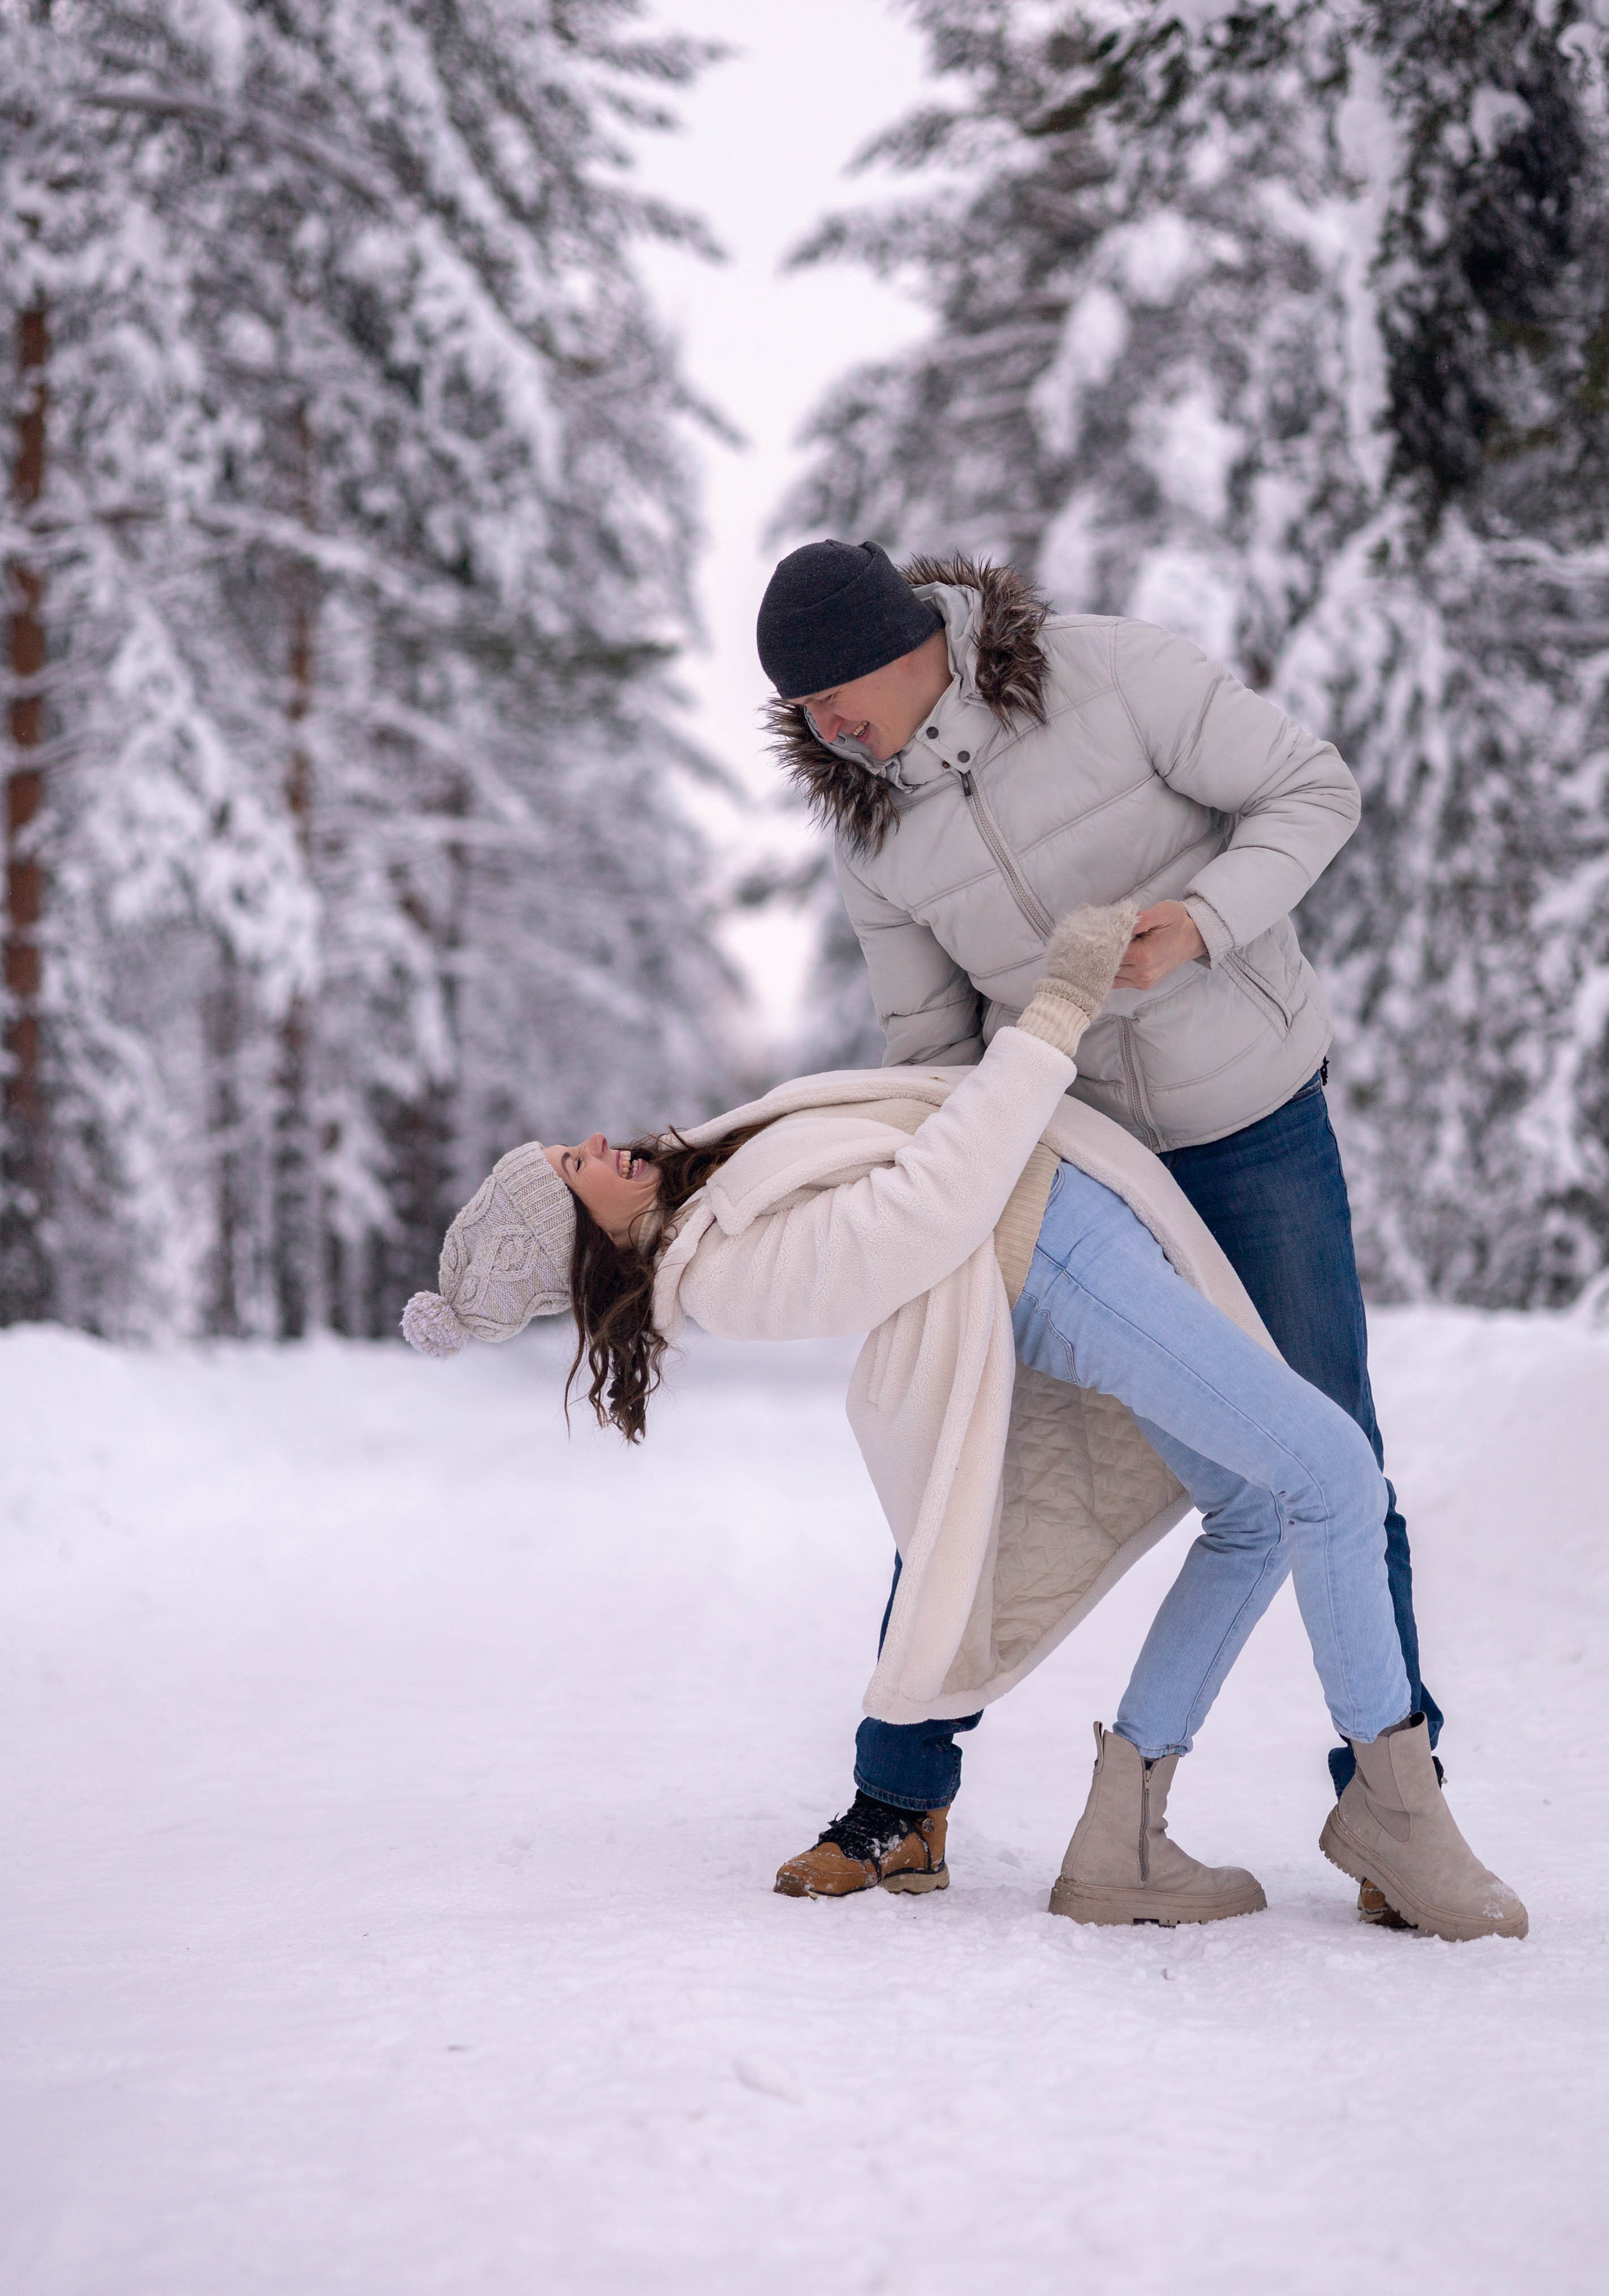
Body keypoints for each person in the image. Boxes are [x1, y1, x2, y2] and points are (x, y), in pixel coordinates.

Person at [401, 908, 1525, 1943]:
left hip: (1076, 1233)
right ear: (583, 1242)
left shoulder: (703, 1189)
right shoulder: (728, 1276)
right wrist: (1056, 1010)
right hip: (1057, 1261)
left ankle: (1125, 1840)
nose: (595, 1143)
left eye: (570, 1145)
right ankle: (1394, 1810)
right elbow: (927, 1207)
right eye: (572, 1169)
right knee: (1333, 1472)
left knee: (1255, 1514)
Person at [756, 539, 1439, 1913]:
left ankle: (1393, 1811)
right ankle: (899, 1804)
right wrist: (950, 1208)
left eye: (837, 694)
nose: (828, 728)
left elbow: (1313, 789)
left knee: (1333, 1450)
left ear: (907, 644)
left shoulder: (1112, 673)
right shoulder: (873, 832)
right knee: (964, 1455)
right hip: (1080, 1165)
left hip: (1251, 1123)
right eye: (803, 711)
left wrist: (1200, 923)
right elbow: (932, 1045)